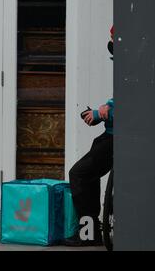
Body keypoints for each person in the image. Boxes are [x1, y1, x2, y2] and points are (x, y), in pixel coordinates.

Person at [65, 26, 114, 246]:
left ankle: (89, 232)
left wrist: (104, 112)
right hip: (112, 135)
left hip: (119, 138)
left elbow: (135, 99)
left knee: (80, 174)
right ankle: (90, 231)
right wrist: (101, 113)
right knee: (87, 174)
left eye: (114, 38)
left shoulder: (137, 63)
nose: (111, 42)